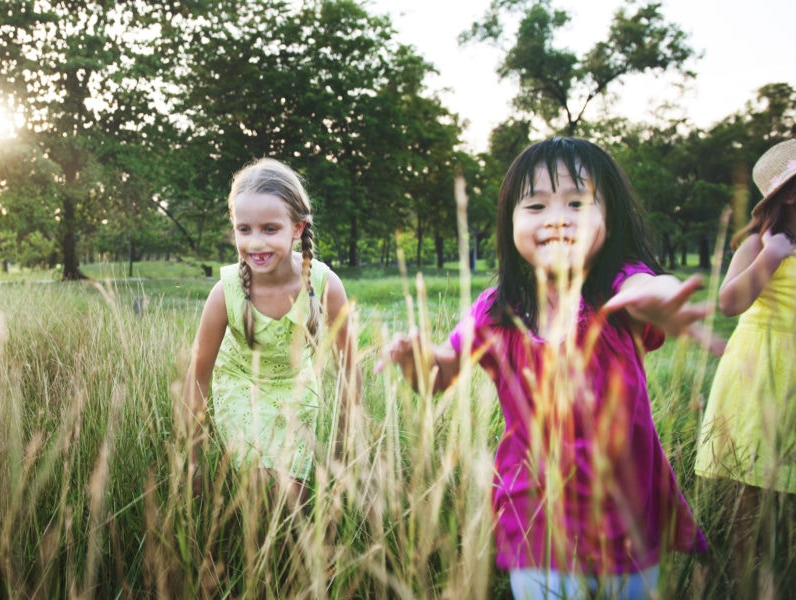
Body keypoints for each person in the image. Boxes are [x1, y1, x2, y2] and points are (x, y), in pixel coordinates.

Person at [382, 137, 715, 599]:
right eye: (536, 205)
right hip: (534, 512)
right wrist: (417, 359)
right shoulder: (496, 312)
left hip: (628, 513)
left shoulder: (619, 295)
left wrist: (661, 295)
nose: (557, 218)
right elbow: (440, 375)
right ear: (510, 222)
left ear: (608, 218)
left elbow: (648, 287)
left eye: (577, 202)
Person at [183, 158, 358, 505]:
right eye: (244, 229)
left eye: (269, 229)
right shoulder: (226, 292)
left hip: (296, 389)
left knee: (295, 500)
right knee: (269, 492)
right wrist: (193, 460)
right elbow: (198, 375)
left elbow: (348, 370)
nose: (255, 243)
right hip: (242, 387)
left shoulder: (325, 285)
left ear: (297, 228)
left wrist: (344, 441)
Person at [694, 139, 796, 563]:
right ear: (792, 193)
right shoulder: (761, 245)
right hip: (763, 373)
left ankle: (791, 570)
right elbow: (729, 303)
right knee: (754, 490)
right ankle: (747, 575)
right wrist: (772, 258)